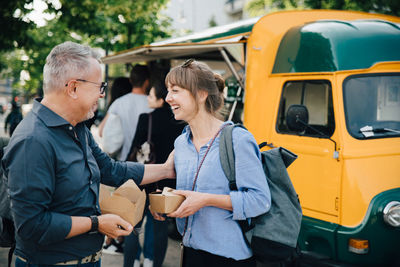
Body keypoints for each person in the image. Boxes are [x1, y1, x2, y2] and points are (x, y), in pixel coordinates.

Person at [1, 41, 175, 267]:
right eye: (99, 87)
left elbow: (111, 170)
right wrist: (96, 223)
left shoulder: (77, 128)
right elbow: (32, 226)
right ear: (73, 88)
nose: (102, 95)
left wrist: (165, 170)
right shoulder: (33, 140)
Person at [152, 59, 271, 267]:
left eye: (176, 90)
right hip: (190, 253)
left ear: (201, 94)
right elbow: (191, 194)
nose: (168, 98)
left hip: (229, 258)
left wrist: (205, 200)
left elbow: (260, 201)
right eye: (168, 90)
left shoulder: (237, 140)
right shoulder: (181, 143)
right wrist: (167, 201)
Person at [125, 77, 185, 267]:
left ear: (160, 100)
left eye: (150, 95)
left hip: (143, 179)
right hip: (168, 182)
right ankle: (153, 261)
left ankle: (133, 261)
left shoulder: (146, 118)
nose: (148, 98)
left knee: (133, 224)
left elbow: (134, 149)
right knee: (159, 225)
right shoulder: (180, 122)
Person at [99, 65, 153, 161]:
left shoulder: (118, 103)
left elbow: (101, 131)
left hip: (122, 160)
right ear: (147, 81)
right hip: (144, 160)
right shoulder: (152, 104)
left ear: (131, 81)